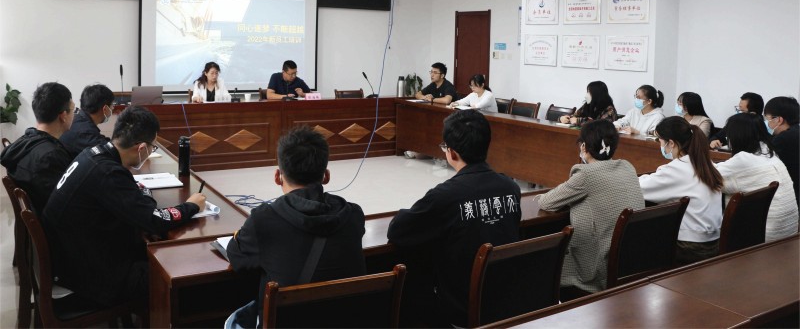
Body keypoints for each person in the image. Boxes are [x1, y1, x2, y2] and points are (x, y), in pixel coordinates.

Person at [43, 107, 205, 307]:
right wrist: (191, 206)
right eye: (152, 147)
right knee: (177, 273)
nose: (151, 151)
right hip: (89, 274)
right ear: (141, 148)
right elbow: (155, 220)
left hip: (73, 256)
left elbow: (140, 203)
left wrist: (144, 206)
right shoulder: (109, 173)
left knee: (150, 245)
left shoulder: (94, 154)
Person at [387, 110, 521, 327]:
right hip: (506, 301)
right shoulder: (510, 188)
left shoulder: (446, 195)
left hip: (461, 308)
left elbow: (398, 231)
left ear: (451, 152)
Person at [225, 126, 366, 328]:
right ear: (326, 176)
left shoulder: (263, 220)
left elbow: (236, 257)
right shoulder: (353, 215)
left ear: (277, 176)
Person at [537, 120, 644, 297]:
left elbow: (547, 203)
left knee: (542, 260)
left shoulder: (587, 174)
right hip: (630, 261)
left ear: (584, 147)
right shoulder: (627, 166)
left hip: (598, 267)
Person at [638, 117, 724, 265]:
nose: (659, 144)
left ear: (671, 143)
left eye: (659, 140)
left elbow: (639, 187)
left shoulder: (677, 169)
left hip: (690, 247)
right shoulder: (705, 163)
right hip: (714, 242)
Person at [715, 113, 798, 241]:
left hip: (765, 237)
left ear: (737, 136)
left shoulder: (744, 159)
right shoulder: (769, 153)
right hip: (787, 232)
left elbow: (711, 176)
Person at [1, 82, 76, 214]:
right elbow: (67, 205)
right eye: (74, 110)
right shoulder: (50, 157)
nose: (75, 115)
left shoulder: (25, 141)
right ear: (63, 116)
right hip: (53, 223)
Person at [59, 83, 114, 155]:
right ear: (105, 108)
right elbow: (111, 151)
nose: (113, 108)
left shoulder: (78, 119)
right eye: (112, 105)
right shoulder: (85, 132)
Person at [763, 96, 799, 205]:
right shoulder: (796, 132)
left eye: (767, 119)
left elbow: (764, 163)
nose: (766, 122)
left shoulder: (783, 138)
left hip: (791, 197)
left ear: (779, 120)